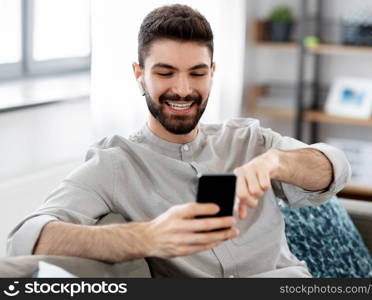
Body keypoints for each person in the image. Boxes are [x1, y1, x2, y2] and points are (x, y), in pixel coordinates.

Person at [7, 4, 351, 278]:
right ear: (139, 74)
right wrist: (147, 237)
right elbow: (25, 238)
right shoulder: (114, 163)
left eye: (198, 73)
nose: (184, 90)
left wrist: (279, 161)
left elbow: (335, 168)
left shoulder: (249, 139)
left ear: (213, 73)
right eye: (165, 72)